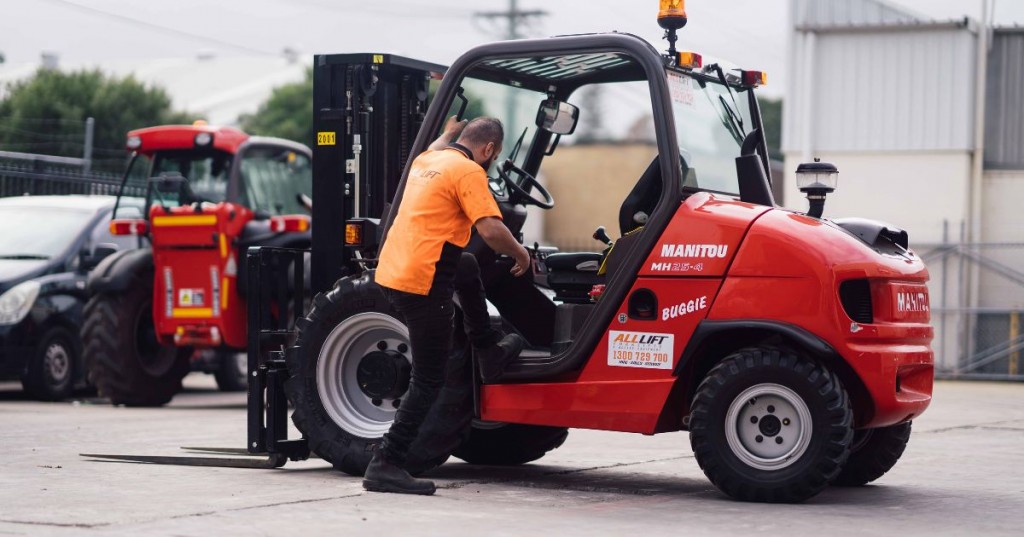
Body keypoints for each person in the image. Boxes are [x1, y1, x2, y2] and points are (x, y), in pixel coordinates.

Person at [364, 116, 532, 495]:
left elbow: (437, 145)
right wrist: (520, 253)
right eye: (494, 155)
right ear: (489, 150)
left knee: (468, 265)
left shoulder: (427, 161)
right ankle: (385, 463)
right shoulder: (470, 172)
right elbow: (490, 229)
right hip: (423, 282)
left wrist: (449, 131)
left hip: (392, 272)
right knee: (429, 378)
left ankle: (487, 348)